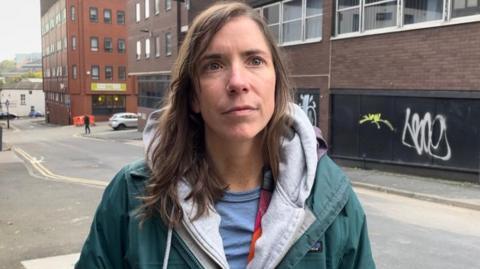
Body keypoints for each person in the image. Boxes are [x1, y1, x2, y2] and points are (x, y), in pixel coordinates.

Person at [76, 2, 375, 269]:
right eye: (214, 65)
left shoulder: (331, 197)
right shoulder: (132, 194)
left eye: (255, 60)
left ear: (276, 83)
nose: (237, 82)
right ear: (193, 95)